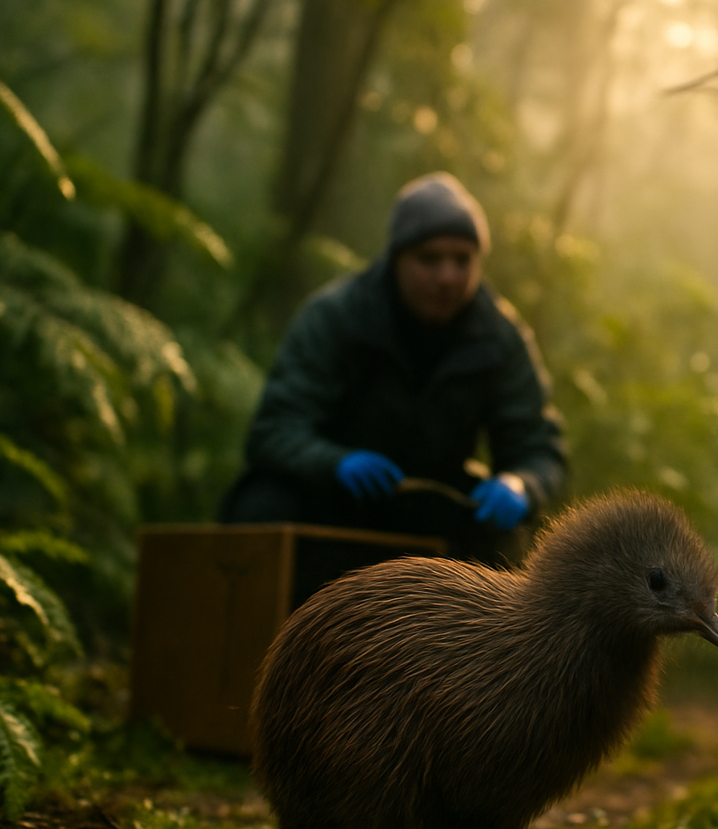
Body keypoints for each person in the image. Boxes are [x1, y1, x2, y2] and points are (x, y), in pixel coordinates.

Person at [221, 172, 566, 564]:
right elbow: (273, 430)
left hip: (431, 516)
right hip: (333, 505)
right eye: (429, 259)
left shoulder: (501, 338)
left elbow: (539, 449)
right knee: (263, 501)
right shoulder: (337, 317)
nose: (448, 277)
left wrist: (520, 484)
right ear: (396, 259)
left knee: (504, 536)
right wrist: (336, 463)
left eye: (462, 260)